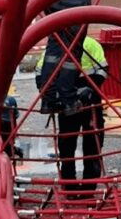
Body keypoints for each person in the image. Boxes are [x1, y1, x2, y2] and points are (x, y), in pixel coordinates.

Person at [36, 36, 108, 193]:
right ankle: (79, 186)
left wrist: (53, 95)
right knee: (83, 144)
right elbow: (102, 71)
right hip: (78, 101)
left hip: (80, 101)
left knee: (80, 144)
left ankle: (75, 186)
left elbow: (40, 74)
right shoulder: (88, 43)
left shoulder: (56, 44)